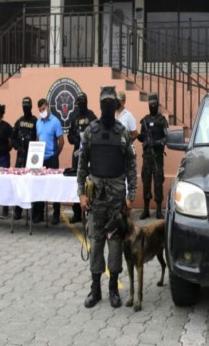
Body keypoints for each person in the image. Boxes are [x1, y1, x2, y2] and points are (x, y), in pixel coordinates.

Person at [77, 86, 137, 309]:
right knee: (96, 242)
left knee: (115, 246)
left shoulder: (122, 132)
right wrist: (81, 194)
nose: (108, 107)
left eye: (112, 103)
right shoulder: (90, 131)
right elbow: (82, 165)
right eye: (105, 103)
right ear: (100, 105)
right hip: (96, 200)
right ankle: (95, 289)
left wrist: (131, 194)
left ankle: (113, 288)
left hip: (116, 201)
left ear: (115, 105)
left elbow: (131, 164)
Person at [32, 98, 64, 224]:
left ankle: (56, 214)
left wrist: (56, 155)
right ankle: (39, 214)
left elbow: (61, 142)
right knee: (39, 187)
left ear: (48, 107)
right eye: (40, 110)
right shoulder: (38, 122)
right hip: (40, 160)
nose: (42, 111)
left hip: (52, 159)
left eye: (44, 109)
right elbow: (37, 139)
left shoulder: (55, 122)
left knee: (55, 187)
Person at [137, 92, 168, 219]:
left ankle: (159, 210)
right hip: (147, 157)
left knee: (158, 182)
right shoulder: (145, 120)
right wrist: (139, 137)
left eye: (155, 104)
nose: (153, 106)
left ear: (157, 104)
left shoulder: (162, 120)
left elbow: (167, 137)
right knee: (146, 182)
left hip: (158, 157)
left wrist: (157, 143)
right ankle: (146, 209)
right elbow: (142, 136)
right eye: (151, 104)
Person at [67, 93, 96, 224]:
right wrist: (76, 138)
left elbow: (97, 132)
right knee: (77, 182)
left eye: (82, 103)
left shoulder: (91, 116)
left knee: (89, 184)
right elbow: (69, 136)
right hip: (77, 154)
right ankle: (77, 213)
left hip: (90, 154)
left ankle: (89, 213)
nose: (80, 106)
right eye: (79, 104)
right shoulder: (73, 117)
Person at [11, 96, 37, 220]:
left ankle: (32, 211)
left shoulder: (35, 121)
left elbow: (39, 136)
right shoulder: (19, 121)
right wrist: (17, 147)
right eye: (24, 107)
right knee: (20, 184)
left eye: (27, 107)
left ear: (31, 107)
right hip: (21, 158)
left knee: (32, 184)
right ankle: (18, 210)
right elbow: (13, 137)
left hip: (32, 158)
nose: (25, 109)